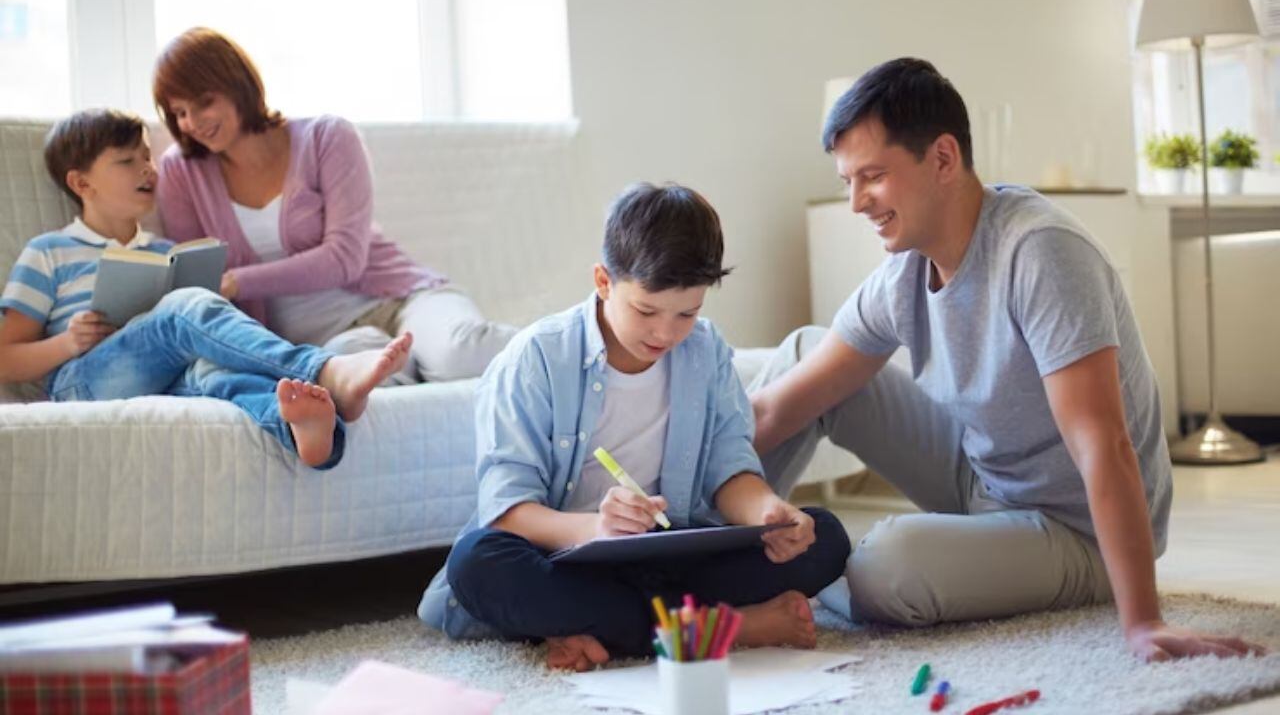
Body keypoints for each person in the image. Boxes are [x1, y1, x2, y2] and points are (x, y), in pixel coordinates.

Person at [749, 58, 1266, 662]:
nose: (857, 201)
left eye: (873, 176)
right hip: (983, 477)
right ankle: (707, 566)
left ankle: (800, 590)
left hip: (1078, 533)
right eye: (847, 181)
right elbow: (774, 407)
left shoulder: (1041, 252)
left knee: (888, 566)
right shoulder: (902, 275)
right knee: (805, 354)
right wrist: (671, 513)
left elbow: (1104, 443)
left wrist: (1144, 622)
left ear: (943, 158)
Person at [418, 183, 851, 671]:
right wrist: (597, 529)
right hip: (566, 561)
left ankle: (616, 629)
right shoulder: (536, 357)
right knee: (477, 563)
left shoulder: (705, 351)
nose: (666, 333)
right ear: (603, 281)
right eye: (646, 310)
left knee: (826, 536)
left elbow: (730, 471)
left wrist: (769, 512)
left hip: (672, 559)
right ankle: (726, 627)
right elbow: (506, 510)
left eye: (687, 313)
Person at [0, 108, 411, 470]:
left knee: (211, 374)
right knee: (184, 309)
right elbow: (5, 358)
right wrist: (68, 343)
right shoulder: (49, 252)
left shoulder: (166, 253)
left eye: (147, 156)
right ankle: (323, 370)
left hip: (165, 375)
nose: (147, 168)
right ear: (82, 183)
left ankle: (301, 427)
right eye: (127, 161)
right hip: (82, 382)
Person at [152, 27, 516, 383]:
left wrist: (236, 282)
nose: (193, 122)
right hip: (326, 341)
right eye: (180, 112)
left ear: (237, 85)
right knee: (364, 379)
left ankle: (566, 346)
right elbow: (195, 279)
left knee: (460, 354)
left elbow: (345, 258)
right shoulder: (180, 171)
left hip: (403, 299)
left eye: (204, 102)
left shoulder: (327, 137)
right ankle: (411, 367)